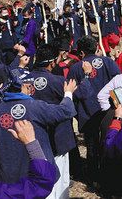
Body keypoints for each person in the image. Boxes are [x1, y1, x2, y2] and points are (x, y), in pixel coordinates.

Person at [0, 70, 77, 185]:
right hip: (37, 173)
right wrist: (68, 93)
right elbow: (66, 111)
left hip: (8, 175)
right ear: (26, 86)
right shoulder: (36, 107)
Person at [27, 43, 93, 199]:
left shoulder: (24, 80)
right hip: (57, 136)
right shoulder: (58, 81)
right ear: (52, 63)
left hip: (31, 135)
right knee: (59, 177)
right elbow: (83, 92)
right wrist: (87, 75)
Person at [66, 35, 119, 183]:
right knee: (111, 142)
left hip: (87, 113)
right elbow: (118, 85)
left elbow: (71, 93)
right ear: (96, 48)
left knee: (92, 147)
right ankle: (110, 175)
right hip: (110, 112)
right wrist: (121, 106)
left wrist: (77, 113)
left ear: (81, 53)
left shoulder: (75, 68)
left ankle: (95, 178)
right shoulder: (109, 62)